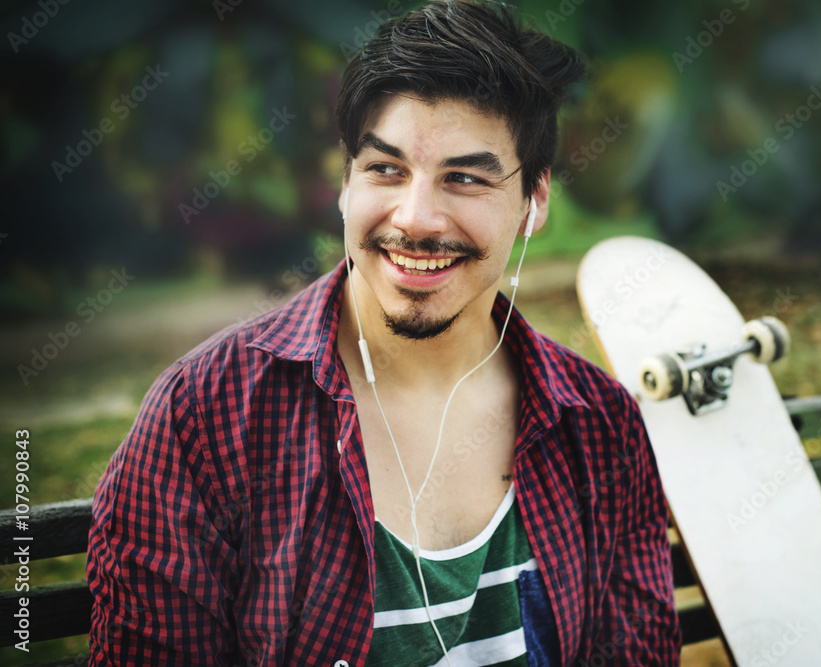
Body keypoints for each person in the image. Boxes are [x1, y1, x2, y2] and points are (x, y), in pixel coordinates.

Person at [86, 1, 681, 664]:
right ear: (344, 183)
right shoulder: (204, 419)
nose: (417, 217)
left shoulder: (598, 424)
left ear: (535, 202)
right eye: (386, 169)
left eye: (465, 177)